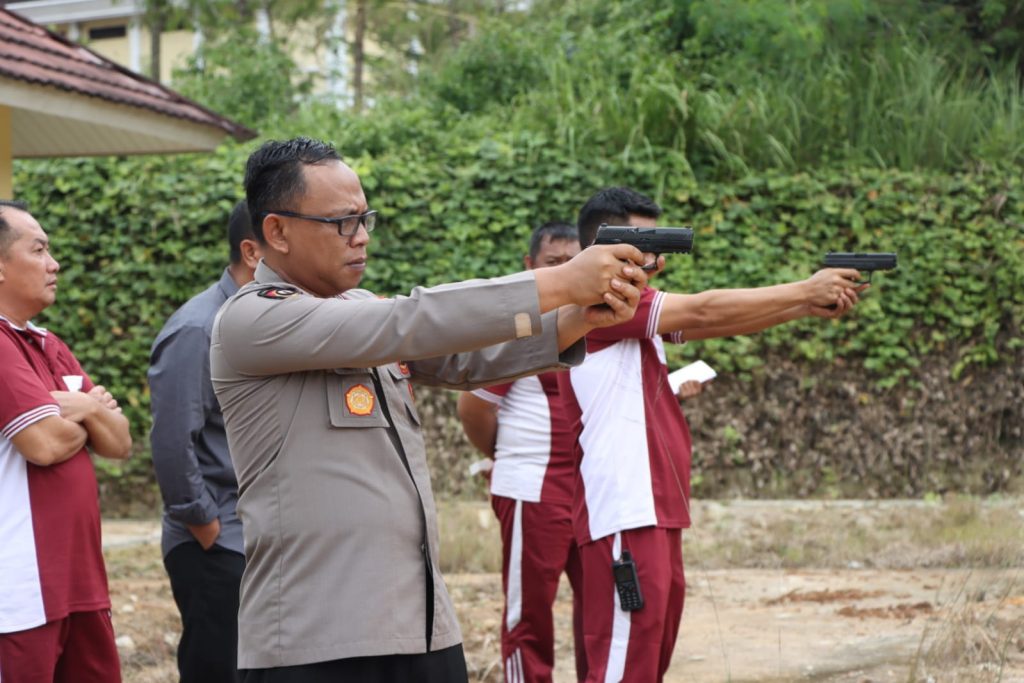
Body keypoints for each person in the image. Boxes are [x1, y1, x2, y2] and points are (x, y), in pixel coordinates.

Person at [209, 137, 650, 683]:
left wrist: (580, 317)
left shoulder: (360, 310)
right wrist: (560, 281)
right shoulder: (251, 321)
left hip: (418, 624)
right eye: (342, 223)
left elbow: (466, 358)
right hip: (313, 638)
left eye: (365, 218)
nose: (362, 236)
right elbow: (411, 321)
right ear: (276, 232)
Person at [558, 187, 867, 682]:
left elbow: (719, 321)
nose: (656, 262)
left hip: (650, 510)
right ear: (604, 248)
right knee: (623, 667)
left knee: (645, 663)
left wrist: (806, 307)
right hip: (625, 508)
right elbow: (704, 311)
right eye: (645, 248)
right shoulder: (599, 301)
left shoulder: (629, 309)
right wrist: (805, 292)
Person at [0, 200, 132, 682]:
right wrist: (88, 413)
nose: (54, 264)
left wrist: (90, 408)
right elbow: (44, 443)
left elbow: (119, 443)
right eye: (39, 250)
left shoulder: (48, 343)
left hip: (78, 581)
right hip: (18, 592)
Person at [457, 221, 587, 683]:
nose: (568, 272)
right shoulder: (518, 323)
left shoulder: (597, 316)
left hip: (591, 491)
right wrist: (504, 454)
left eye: (576, 262)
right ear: (529, 266)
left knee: (600, 612)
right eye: (555, 264)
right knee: (529, 616)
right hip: (533, 489)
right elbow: (472, 408)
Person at [149, 200, 262, 683]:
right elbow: (174, 442)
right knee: (217, 669)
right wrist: (206, 525)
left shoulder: (257, 321)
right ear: (254, 252)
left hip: (253, 536)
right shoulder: (199, 327)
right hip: (216, 544)